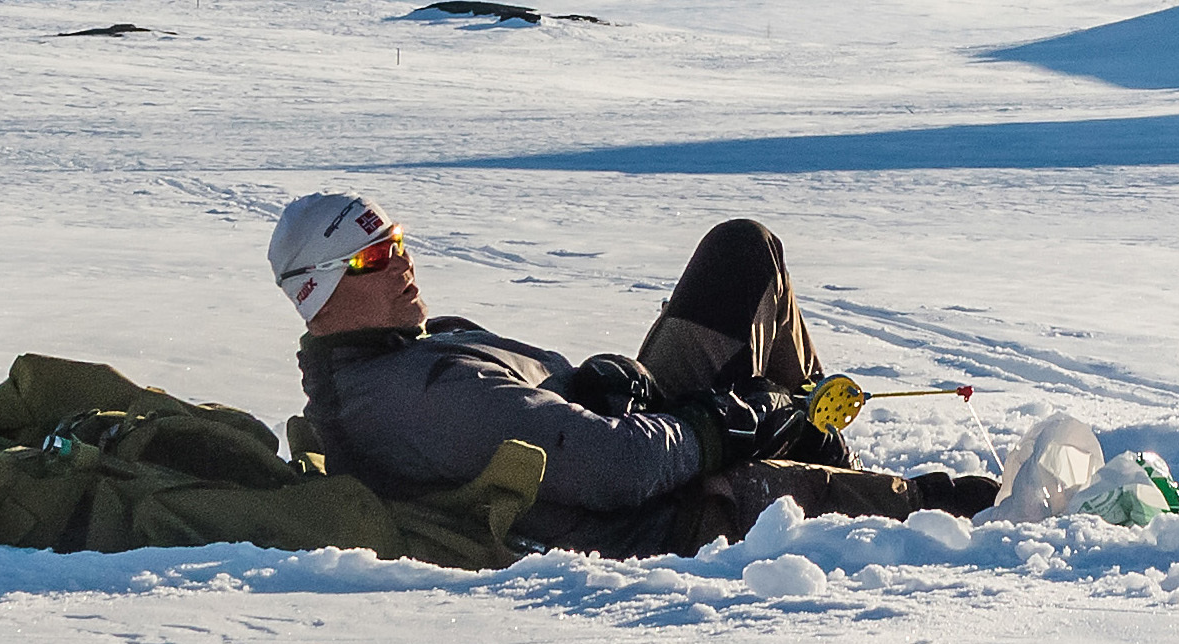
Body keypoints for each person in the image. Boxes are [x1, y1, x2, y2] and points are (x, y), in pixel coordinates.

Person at [268, 193, 999, 560]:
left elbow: (551, 422)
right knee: (945, 505)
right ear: (317, 293)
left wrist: (596, 382)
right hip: (658, 513)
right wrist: (719, 423)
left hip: (644, 438)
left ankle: (812, 437)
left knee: (743, 253)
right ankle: (931, 503)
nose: (400, 261)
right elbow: (612, 467)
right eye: (370, 257)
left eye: (394, 241)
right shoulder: (416, 398)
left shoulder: (410, 352)